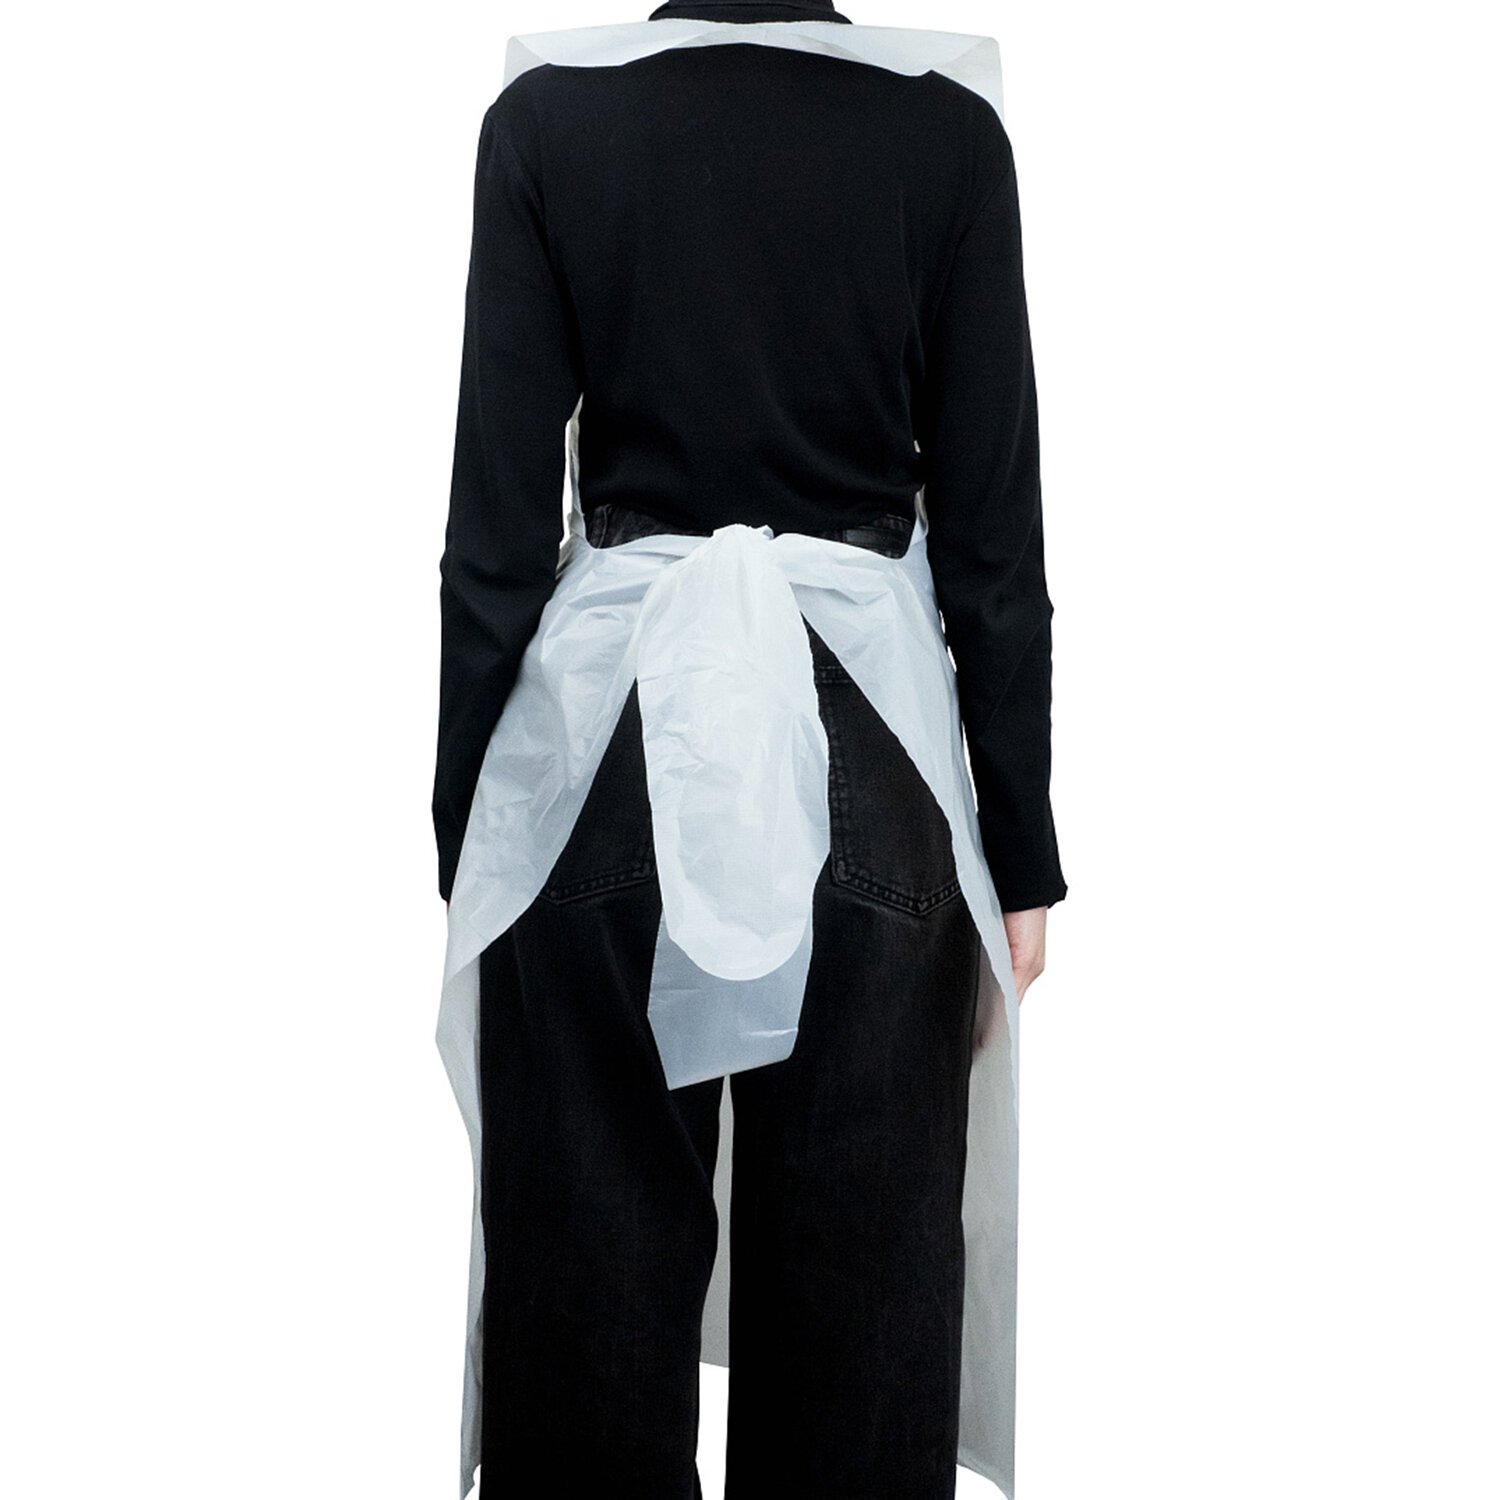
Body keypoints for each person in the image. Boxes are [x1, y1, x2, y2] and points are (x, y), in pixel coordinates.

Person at [430, 3, 1066, 1497]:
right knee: (862, 1329)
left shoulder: (551, 124)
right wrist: (1022, 856)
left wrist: (470, 832)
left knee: (583, 1315)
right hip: (877, 751)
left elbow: (495, 530)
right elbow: (994, 542)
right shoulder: (943, 134)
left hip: (603, 742)